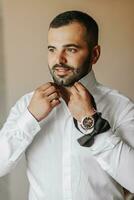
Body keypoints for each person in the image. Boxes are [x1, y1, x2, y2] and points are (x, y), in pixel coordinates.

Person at [0, 10, 134, 200]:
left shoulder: (121, 107)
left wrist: (92, 122)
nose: (59, 60)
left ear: (94, 54)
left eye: (70, 49)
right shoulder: (27, 106)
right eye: (52, 49)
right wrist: (30, 118)